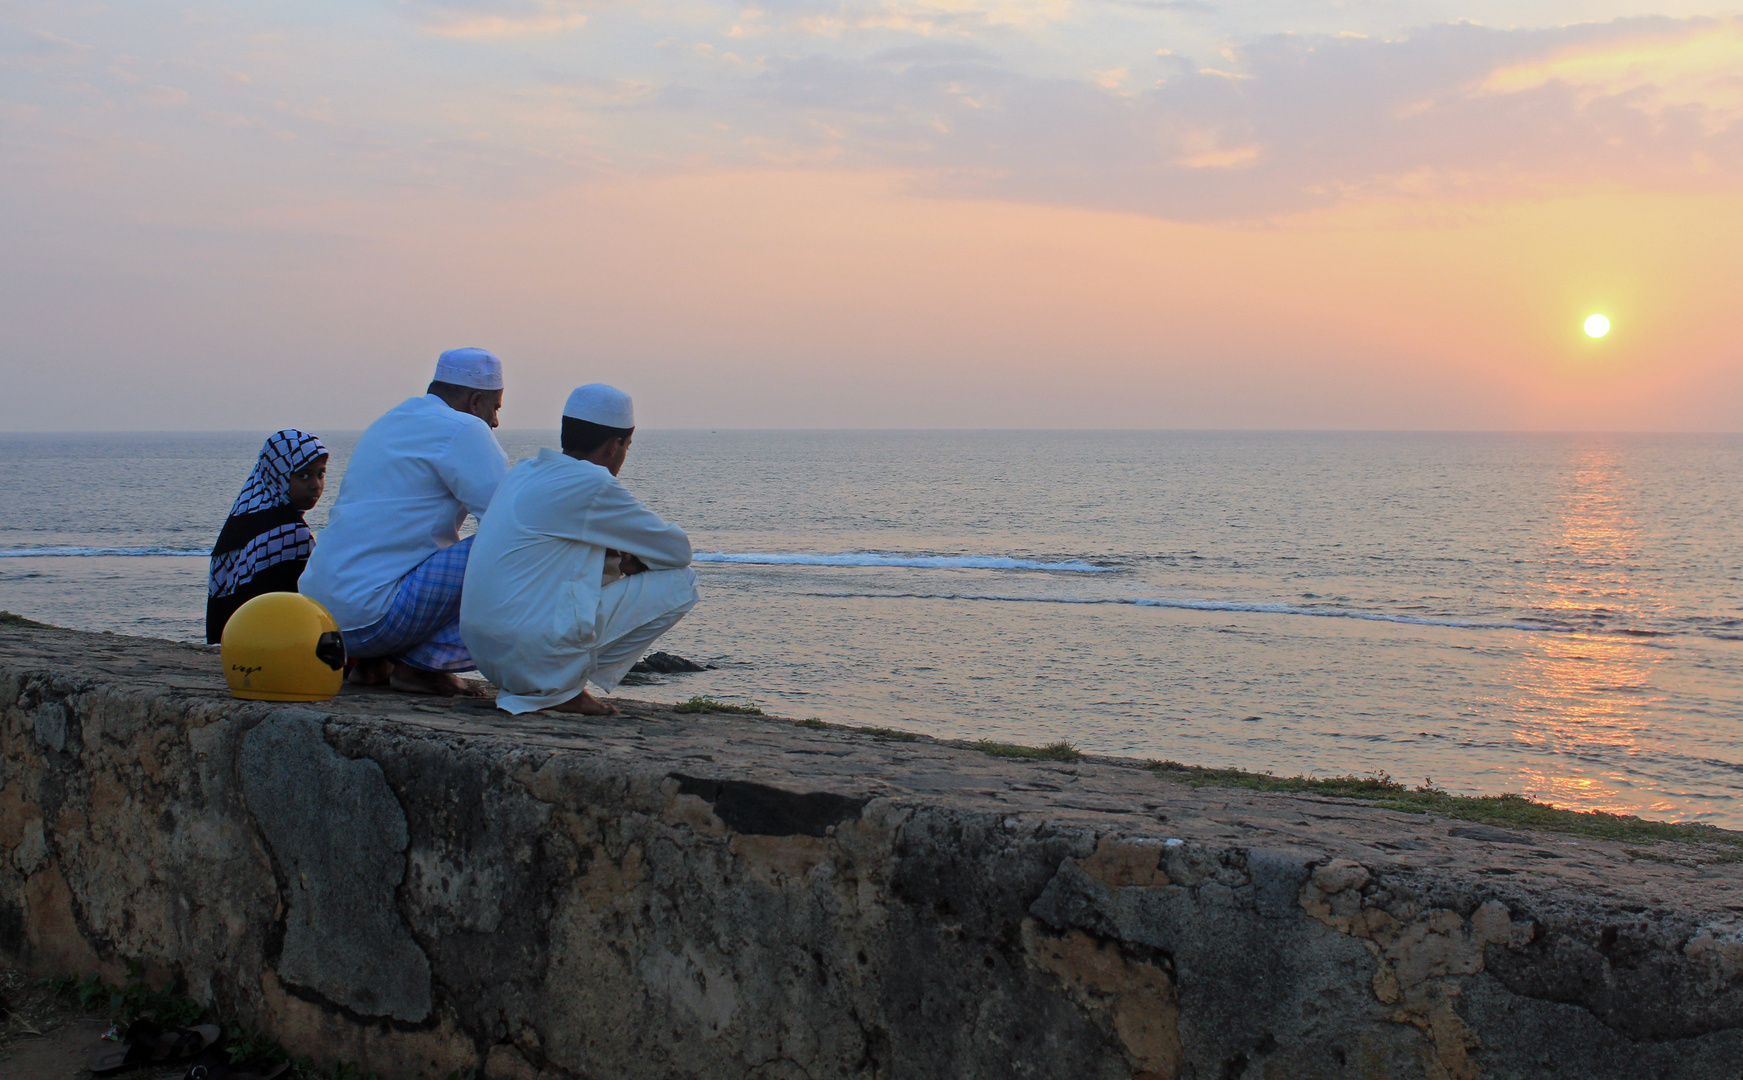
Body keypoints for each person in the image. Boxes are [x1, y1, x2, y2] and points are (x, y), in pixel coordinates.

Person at [460, 384, 697, 715]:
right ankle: (565, 689)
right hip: (530, 652)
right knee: (683, 582)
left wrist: (616, 554)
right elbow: (677, 552)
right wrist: (636, 558)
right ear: (615, 445)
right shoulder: (593, 483)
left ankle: (557, 680)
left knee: (605, 562)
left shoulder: (524, 473)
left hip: (486, 654)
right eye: (627, 446)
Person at [298, 348, 510, 695]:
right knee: (520, 546)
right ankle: (423, 667)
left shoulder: (389, 421)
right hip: (373, 620)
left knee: (398, 551)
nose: (496, 422)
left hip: (320, 619)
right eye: (495, 408)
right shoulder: (465, 428)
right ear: (475, 401)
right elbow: (509, 521)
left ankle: (374, 665)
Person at [206, 429, 329, 643]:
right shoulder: (290, 532)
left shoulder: (243, 516)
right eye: (303, 475)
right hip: (272, 648)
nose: (315, 485)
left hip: (232, 643)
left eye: (321, 474)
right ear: (278, 475)